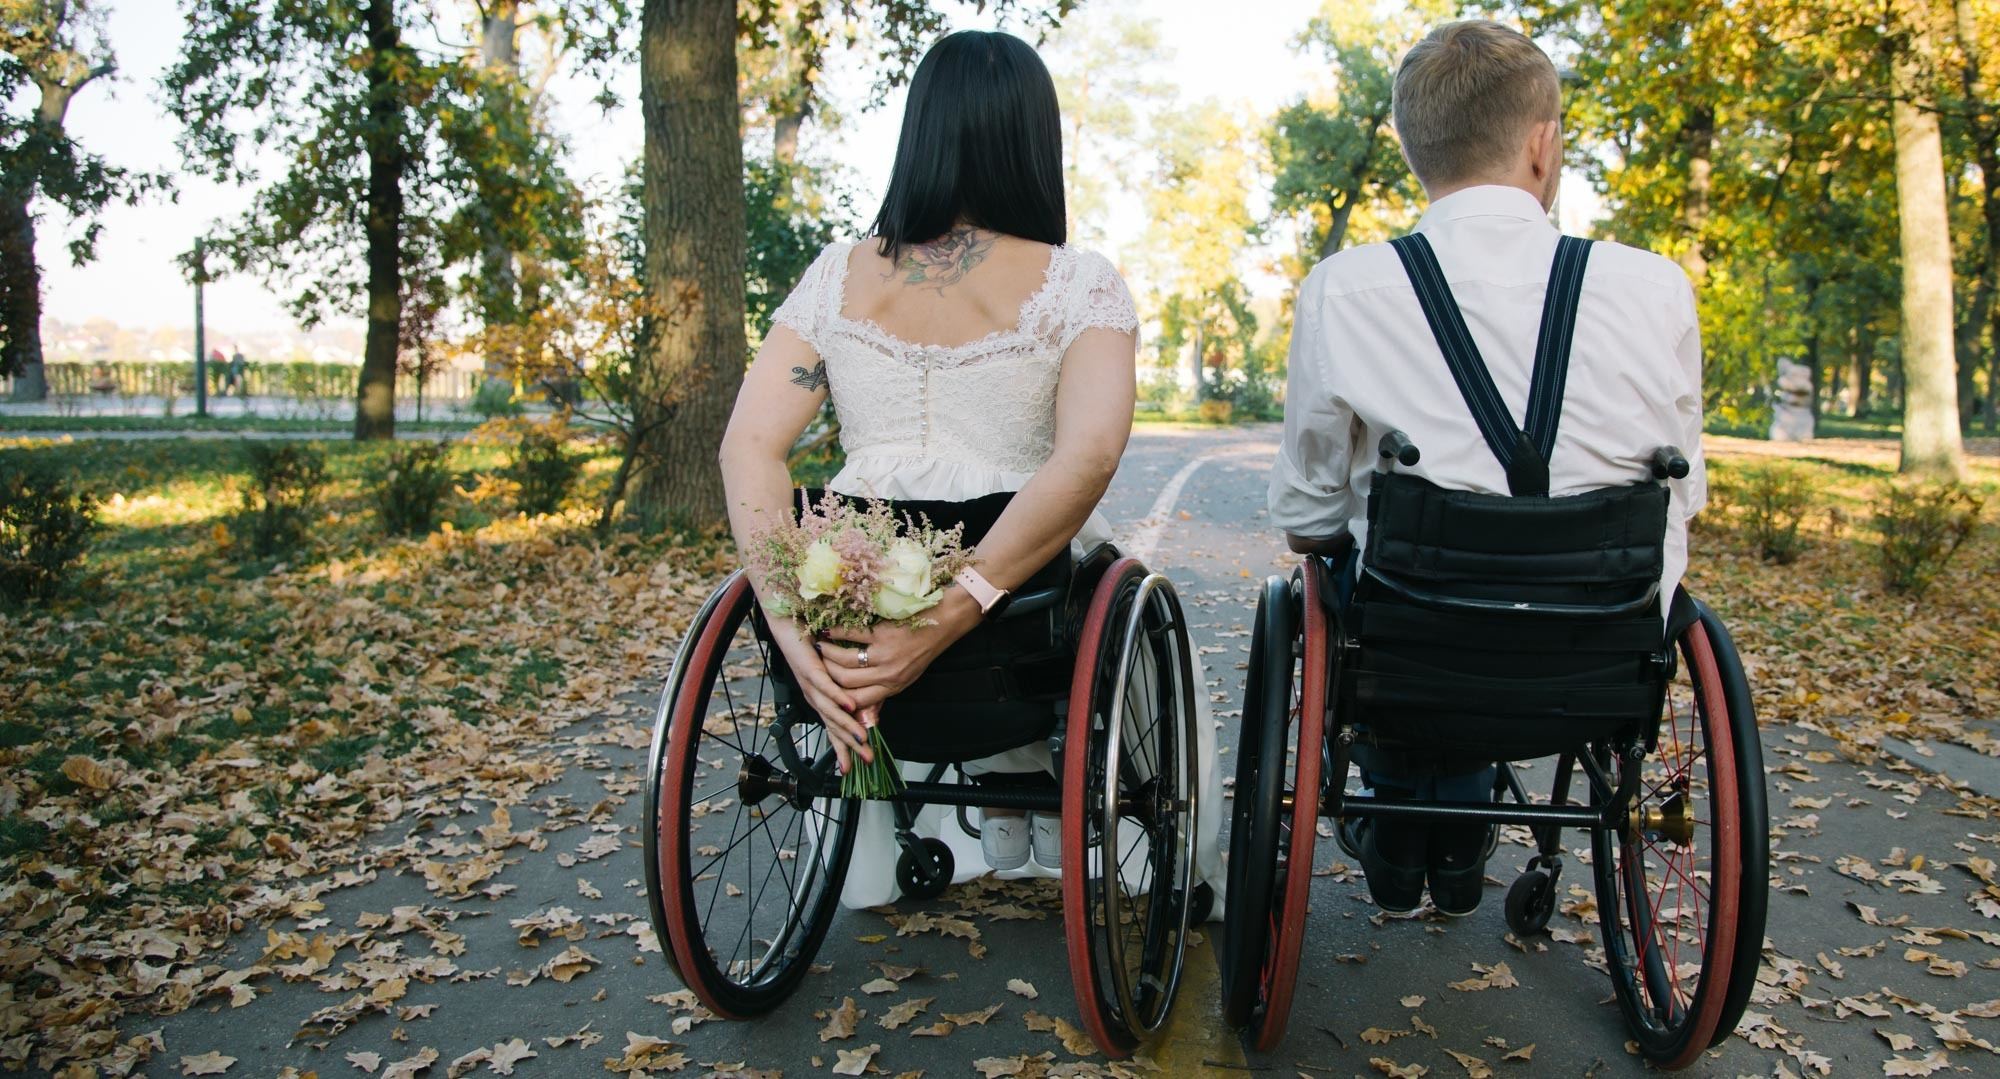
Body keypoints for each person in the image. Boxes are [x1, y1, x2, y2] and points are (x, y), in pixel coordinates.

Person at [718, 29, 1226, 911]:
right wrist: (957, 607)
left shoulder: (839, 275)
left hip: (857, 570)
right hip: (1018, 585)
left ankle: (956, 806)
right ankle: (1086, 815)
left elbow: (748, 448)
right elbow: (1089, 457)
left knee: (851, 551)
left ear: (920, 131)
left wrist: (791, 626)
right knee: (1115, 593)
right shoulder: (1081, 283)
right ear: (1034, 141)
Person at [1267, 19, 1706, 916]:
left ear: (1411, 148)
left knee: (1346, 561)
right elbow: (1683, 494)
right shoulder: (1655, 287)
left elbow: (1309, 515)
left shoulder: (1344, 289)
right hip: (1597, 648)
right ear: (1544, 146)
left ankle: (1405, 813)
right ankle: (1457, 823)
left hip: (1412, 638)